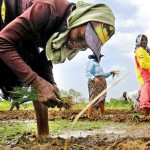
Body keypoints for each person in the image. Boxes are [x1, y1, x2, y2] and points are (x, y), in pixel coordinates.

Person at [0, 0, 115, 135]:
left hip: (25, 36)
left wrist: (50, 83)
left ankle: (44, 137)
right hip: (5, 15)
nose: (77, 45)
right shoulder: (47, 10)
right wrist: (38, 83)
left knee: (42, 81)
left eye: (85, 46)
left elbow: (44, 58)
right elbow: (3, 42)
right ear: (80, 17)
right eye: (81, 36)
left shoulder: (66, 28)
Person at [85, 53, 117, 118]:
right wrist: (94, 78)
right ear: (97, 57)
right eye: (100, 57)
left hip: (101, 83)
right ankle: (89, 116)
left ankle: (102, 115)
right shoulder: (90, 62)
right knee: (93, 98)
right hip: (94, 83)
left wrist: (110, 73)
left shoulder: (98, 65)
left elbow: (103, 75)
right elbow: (87, 72)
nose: (100, 59)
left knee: (102, 98)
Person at [134, 34, 150, 116]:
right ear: (138, 41)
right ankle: (146, 116)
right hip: (144, 76)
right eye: (142, 40)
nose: (144, 41)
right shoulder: (139, 50)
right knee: (146, 96)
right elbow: (143, 64)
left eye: (146, 39)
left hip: (148, 75)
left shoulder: (146, 51)